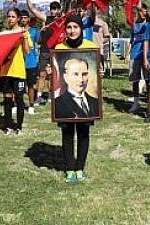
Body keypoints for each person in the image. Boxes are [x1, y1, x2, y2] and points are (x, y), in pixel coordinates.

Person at [53, 16, 99, 183]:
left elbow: (98, 69)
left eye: (75, 27)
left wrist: (99, 74)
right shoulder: (59, 47)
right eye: (69, 27)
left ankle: (80, 168)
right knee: (67, 133)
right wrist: (52, 72)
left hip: (87, 109)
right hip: (64, 108)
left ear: (81, 29)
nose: (72, 31)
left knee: (83, 133)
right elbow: (54, 71)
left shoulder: (91, 46)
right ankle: (70, 169)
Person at [0, 8, 31, 135]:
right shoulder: (4, 33)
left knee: (19, 99)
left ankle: (19, 126)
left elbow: (27, 51)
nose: (10, 19)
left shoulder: (23, 33)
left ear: (18, 18)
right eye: (9, 16)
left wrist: (24, 37)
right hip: (6, 71)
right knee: (7, 99)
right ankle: (8, 125)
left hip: (18, 72)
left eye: (13, 16)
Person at [25, 0, 62, 105]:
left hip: (57, 52)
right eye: (51, 9)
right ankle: (39, 96)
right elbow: (33, 11)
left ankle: (52, 95)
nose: (53, 11)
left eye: (55, 9)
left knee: (54, 75)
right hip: (45, 51)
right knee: (42, 74)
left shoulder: (63, 21)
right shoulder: (46, 19)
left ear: (59, 10)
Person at [127, 3, 149, 113]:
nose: (141, 13)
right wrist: (127, 53)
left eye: (143, 11)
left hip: (146, 56)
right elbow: (132, 40)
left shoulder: (149, 24)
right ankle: (136, 103)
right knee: (135, 80)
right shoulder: (134, 25)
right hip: (134, 55)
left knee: (148, 79)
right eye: (139, 11)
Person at [20, 11, 40, 113]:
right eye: (21, 18)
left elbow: (40, 42)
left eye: (25, 18)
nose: (23, 20)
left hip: (31, 62)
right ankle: (17, 105)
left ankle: (31, 105)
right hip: (19, 62)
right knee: (18, 86)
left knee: (30, 85)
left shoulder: (34, 30)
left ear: (28, 19)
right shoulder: (16, 31)